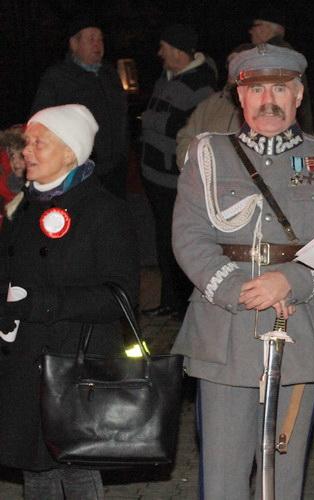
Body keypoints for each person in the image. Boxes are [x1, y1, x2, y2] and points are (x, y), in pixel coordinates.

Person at [171, 44, 314, 499]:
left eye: (279, 88)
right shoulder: (208, 154)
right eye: (256, 90)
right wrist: (238, 289)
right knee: (223, 476)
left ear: (298, 95)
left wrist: (290, 280)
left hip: (301, 325)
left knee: (284, 477)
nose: (267, 100)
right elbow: (189, 237)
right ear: (240, 96)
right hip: (224, 329)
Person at [0, 104, 139, 499]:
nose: (26, 151)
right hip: (25, 362)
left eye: (38, 143)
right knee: (36, 472)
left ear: (69, 152)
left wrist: (41, 304)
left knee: (77, 471)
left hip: (77, 365)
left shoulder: (103, 210)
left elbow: (120, 296)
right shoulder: (23, 207)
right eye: (26, 142)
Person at [140, 23, 216, 319]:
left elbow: (189, 127)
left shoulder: (201, 84)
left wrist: (150, 120)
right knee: (163, 240)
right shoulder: (166, 78)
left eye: (164, 47)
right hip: (154, 176)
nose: (159, 53)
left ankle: (183, 306)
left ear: (177, 50)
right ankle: (169, 301)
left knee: (179, 241)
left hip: (175, 179)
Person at [30, 18, 129, 199]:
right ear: (74, 44)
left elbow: (121, 113)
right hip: (81, 170)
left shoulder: (109, 73)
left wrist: (124, 150)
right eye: (91, 39)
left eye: (100, 39)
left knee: (116, 210)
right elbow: (39, 125)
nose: (98, 44)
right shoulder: (57, 78)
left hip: (116, 166)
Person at [174, 43, 252, 167]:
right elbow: (185, 138)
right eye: (230, 63)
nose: (233, 69)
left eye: (240, 63)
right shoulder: (211, 103)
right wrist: (196, 168)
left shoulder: (264, 108)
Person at [248, 6, 314, 133]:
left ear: (267, 28)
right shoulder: (287, 54)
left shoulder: (271, 57)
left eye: (255, 25)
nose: (251, 31)